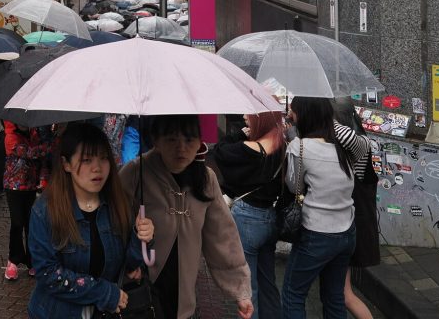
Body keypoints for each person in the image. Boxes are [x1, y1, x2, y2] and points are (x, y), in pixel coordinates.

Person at [120, 114, 253, 319]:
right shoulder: (135, 172)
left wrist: (240, 291)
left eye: (189, 139)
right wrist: (128, 259)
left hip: (184, 293)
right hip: (142, 289)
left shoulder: (206, 179)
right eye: (171, 139)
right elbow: (112, 222)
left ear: (200, 141)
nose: (181, 148)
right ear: (156, 140)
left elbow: (222, 236)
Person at [27, 122, 155, 318]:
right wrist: (103, 293)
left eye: (104, 158)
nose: (97, 168)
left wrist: (142, 237)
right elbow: (48, 274)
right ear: (66, 164)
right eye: (86, 160)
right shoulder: (45, 211)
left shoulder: (119, 204)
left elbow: (130, 266)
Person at [281, 97, 370, 319]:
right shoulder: (344, 148)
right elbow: (362, 143)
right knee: (334, 296)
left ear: (305, 115)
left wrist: (292, 141)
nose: (291, 116)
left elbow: (293, 186)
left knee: (293, 294)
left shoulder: (300, 146)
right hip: (347, 232)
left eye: (294, 111)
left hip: (316, 233)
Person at [212, 111, 286, 319]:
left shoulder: (249, 149)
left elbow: (220, 150)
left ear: (260, 119)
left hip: (248, 218)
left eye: (250, 114)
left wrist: (240, 134)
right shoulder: (282, 145)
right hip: (270, 216)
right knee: (267, 281)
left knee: (247, 287)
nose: (245, 117)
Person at [334, 99, 379, 319]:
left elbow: (344, 135)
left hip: (353, 224)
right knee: (339, 293)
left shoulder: (359, 142)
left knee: (345, 294)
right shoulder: (348, 142)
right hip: (347, 222)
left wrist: (321, 118)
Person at [3, 122, 53, 281]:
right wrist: (47, 147)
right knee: (17, 223)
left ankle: (32, 259)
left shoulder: (34, 135)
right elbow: (28, 153)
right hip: (14, 187)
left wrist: (42, 178)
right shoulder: (10, 137)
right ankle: (13, 260)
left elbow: (41, 161)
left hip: (30, 186)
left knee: (30, 224)